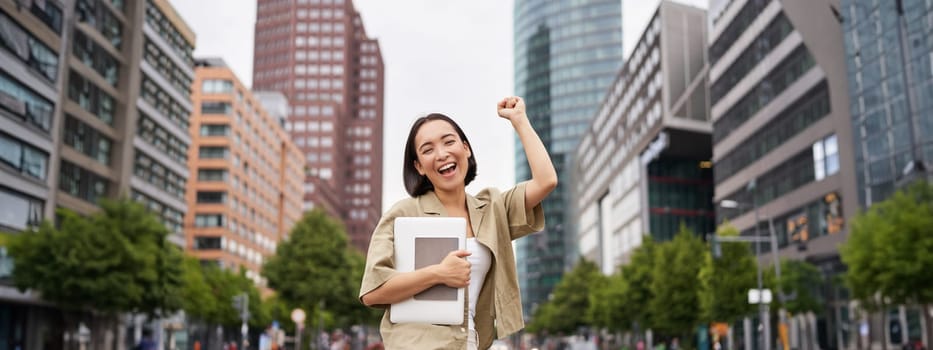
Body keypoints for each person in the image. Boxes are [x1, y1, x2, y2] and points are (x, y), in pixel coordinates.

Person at [359, 96, 558, 350]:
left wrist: (519, 120)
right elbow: (372, 291)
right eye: (428, 150)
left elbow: (546, 181)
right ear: (419, 167)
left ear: (466, 148)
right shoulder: (403, 214)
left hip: (471, 342)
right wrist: (437, 274)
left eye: (449, 142)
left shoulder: (492, 208)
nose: (441, 154)